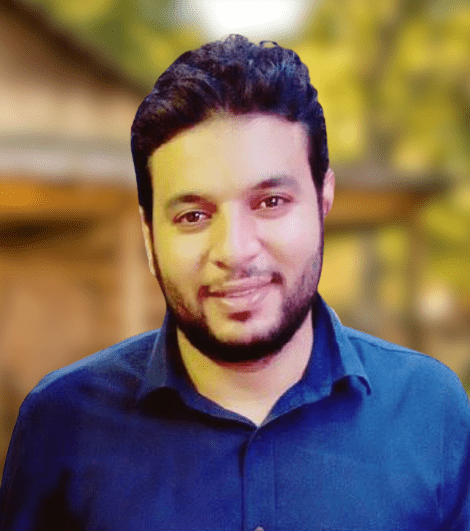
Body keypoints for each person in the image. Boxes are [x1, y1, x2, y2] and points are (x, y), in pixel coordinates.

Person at [1, 34, 469, 530]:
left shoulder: (431, 409)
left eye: (270, 202)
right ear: (149, 235)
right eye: (194, 215)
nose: (234, 251)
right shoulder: (60, 424)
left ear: (323, 199)